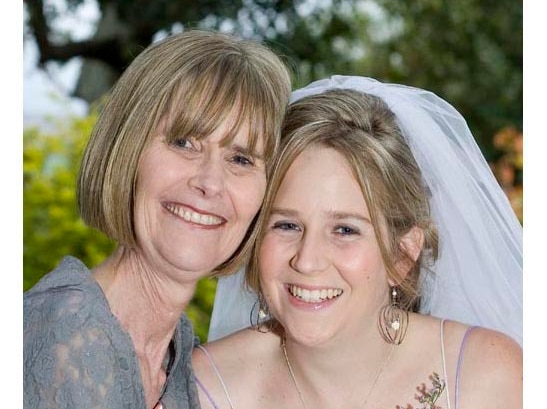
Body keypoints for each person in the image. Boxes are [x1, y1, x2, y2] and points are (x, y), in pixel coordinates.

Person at [192, 76, 523, 409]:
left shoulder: (483, 376)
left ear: (402, 254)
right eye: (287, 225)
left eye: (345, 230)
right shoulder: (204, 389)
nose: (307, 261)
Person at [23, 29, 291, 409]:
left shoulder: (179, 354)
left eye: (241, 158)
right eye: (184, 142)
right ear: (128, 149)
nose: (210, 183)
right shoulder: (62, 338)